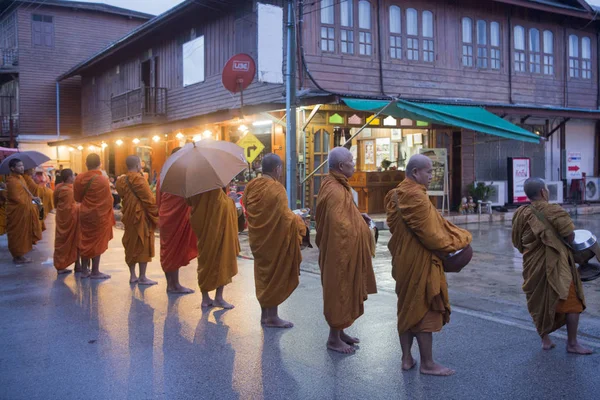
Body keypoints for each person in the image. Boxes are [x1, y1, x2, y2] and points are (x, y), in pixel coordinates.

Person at [385, 154, 471, 376]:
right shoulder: (415, 197)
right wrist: (461, 240)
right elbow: (433, 236)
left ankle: (406, 358)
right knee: (423, 308)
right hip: (419, 260)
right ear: (415, 173)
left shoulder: (394, 194)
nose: (433, 176)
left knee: (406, 308)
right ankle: (428, 364)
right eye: (429, 172)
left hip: (403, 260)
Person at [512, 177, 592, 355]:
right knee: (572, 301)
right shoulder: (554, 210)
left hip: (533, 265)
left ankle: (545, 340)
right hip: (556, 264)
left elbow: (517, 241)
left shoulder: (520, 213)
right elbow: (570, 236)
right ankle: (572, 343)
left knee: (540, 299)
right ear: (543, 192)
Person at [315, 146, 377, 354]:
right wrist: (362, 231)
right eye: (352, 161)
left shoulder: (338, 185)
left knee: (344, 289)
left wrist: (359, 218)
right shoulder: (334, 190)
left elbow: (345, 217)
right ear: (341, 166)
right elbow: (340, 228)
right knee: (339, 290)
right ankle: (333, 339)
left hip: (342, 251)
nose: (354, 164)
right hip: (338, 253)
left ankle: (340, 332)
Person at [243, 153, 309, 328]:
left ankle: (265, 315)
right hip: (273, 241)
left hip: (258, 240)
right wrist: (299, 220)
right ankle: (272, 317)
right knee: (274, 275)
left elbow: (247, 207)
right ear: (277, 169)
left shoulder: (251, 186)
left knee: (262, 275)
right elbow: (285, 217)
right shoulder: (277, 188)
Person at [187, 187, 240, 309]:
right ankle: (219, 297)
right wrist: (231, 200)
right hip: (215, 227)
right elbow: (221, 207)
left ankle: (205, 299)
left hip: (202, 226)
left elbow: (189, 202)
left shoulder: (192, 185)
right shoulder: (212, 187)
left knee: (205, 259)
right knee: (221, 258)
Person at [156, 147, 197, 294]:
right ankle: (174, 285)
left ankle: (172, 284)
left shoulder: (163, 176)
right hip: (176, 218)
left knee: (168, 250)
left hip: (165, 217)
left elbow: (158, 200)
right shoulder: (183, 176)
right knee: (173, 250)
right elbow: (191, 199)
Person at [116, 155, 159, 285]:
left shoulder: (121, 180)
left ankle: (133, 275)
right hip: (140, 216)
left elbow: (122, 194)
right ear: (137, 165)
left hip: (129, 215)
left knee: (130, 243)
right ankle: (142, 276)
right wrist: (156, 216)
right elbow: (149, 199)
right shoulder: (139, 180)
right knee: (142, 243)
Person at [74, 153, 114, 279]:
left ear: (86, 164)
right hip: (99, 215)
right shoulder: (102, 179)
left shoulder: (79, 178)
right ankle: (95, 271)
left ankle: (84, 270)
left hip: (85, 212)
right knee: (97, 241)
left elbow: (77, 198)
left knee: (85, 239)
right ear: (100, 163)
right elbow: (109, 199)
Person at [5, 159, 43, 263]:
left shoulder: (21, 178)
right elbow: (17, 198)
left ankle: (20, 255)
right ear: (12, 168)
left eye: (22, 165)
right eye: (19, 166)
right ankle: (17, 256)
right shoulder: (11, 180)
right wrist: (31, 204)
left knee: (23, 233)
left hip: (24, 210)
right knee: (17, 234)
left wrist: (33, 198)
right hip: (17, 212)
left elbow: (26, 193)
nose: (22, 167)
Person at [53, 169, 81, 275]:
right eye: (73, 176)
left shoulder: (58, 188)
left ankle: (75, 265)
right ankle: (62, 266)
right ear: (69, 177)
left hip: (61, 217)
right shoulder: (69, 190)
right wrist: (80, 207)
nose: (74, 178)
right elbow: (72, 207)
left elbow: (55, 203)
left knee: (62, 241)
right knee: (74, 241)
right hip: (70, 219)